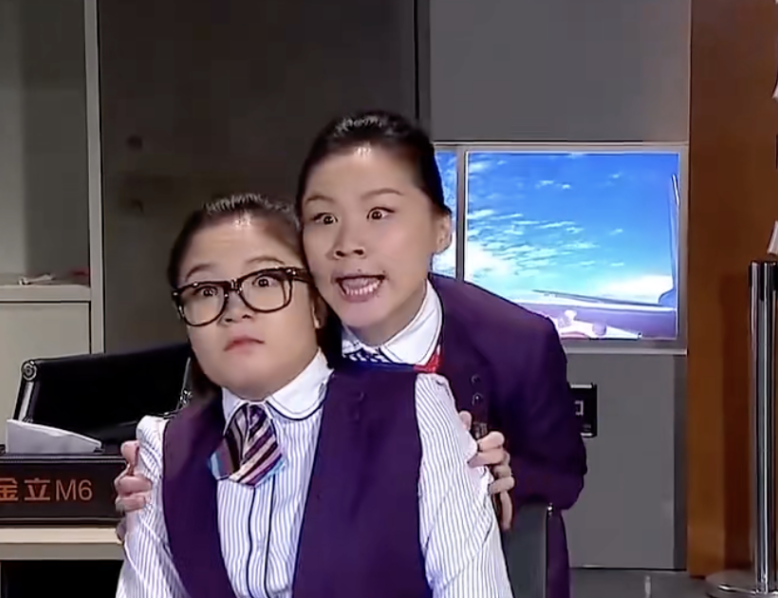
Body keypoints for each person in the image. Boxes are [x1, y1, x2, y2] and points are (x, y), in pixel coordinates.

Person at [117, 110, 587, 598]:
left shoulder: (515, 342)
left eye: (379, 214)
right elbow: (221, 454)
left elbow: (563, 476)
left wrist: (499, 475)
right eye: (324, 219)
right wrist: (163, 495)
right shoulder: (277, 335)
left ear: (440, 229)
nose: (349, 245)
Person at [117, 192, 511, 598]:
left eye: (264, 281)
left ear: (317, 304)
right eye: (204, 290)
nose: (234, 309)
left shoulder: (415, 411)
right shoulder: (165, 449)